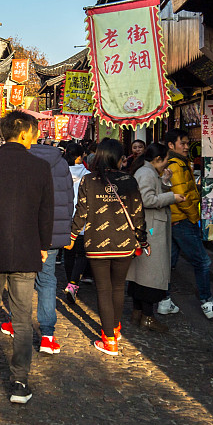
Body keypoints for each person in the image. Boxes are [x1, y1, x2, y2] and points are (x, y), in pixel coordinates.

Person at [0, 111, 53, 405]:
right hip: (27, 249)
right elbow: (46, 212)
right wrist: (43, 244)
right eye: (35, 132)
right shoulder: (40, 167)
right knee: (22, 317)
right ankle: (19, 381)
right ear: (24, 133)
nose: (36, 137)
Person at [69, 138, 148, 355]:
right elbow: (138, 215)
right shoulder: (129, 180)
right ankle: (115, 327)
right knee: (118, 287)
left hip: (97, 242)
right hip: (124, 243)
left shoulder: (88, 180)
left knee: (103, 289)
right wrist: (142, 240)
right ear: (119, 158)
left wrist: (72, 235)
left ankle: (109, 339)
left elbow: (81, 212)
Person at [0, 135, 74, 354]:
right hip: (51, 233)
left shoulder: (22, 161)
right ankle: (47, 336)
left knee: (20, 278)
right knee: (47, 280)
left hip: (23, 230)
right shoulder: (61, 164)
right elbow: (69, 199)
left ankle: (15, 322)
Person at [158, 128, 213, 319]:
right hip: (183, 220)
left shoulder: (178, 163)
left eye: (187, 143)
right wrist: (193, 216)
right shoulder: (176, 165)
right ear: (171, 145)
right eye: (182, 143)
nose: (186, 147)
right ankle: (207, 301)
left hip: (175, 219)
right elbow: (182, 196)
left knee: (169, 262)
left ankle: (164, 300)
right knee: (202, 261)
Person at [126, 142, 182, 332]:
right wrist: (172, 197)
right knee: (149, 276)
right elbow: (147, 199)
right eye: (166, 160)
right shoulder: (147, 173)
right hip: (151, 229)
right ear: (158, 159)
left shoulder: (147, 171)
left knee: (141, 275)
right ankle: (147, 316)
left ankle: (138, 313)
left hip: (149, 227)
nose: (166, 164)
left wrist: (165, 182)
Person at [60, 141, 91, 299]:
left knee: (68, 253)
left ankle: (69, 281)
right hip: (82, 218)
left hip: (64, 216)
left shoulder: (61, 172)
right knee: (82, 253)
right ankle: (73, 282)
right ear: (80, 156)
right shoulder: (88, 175)